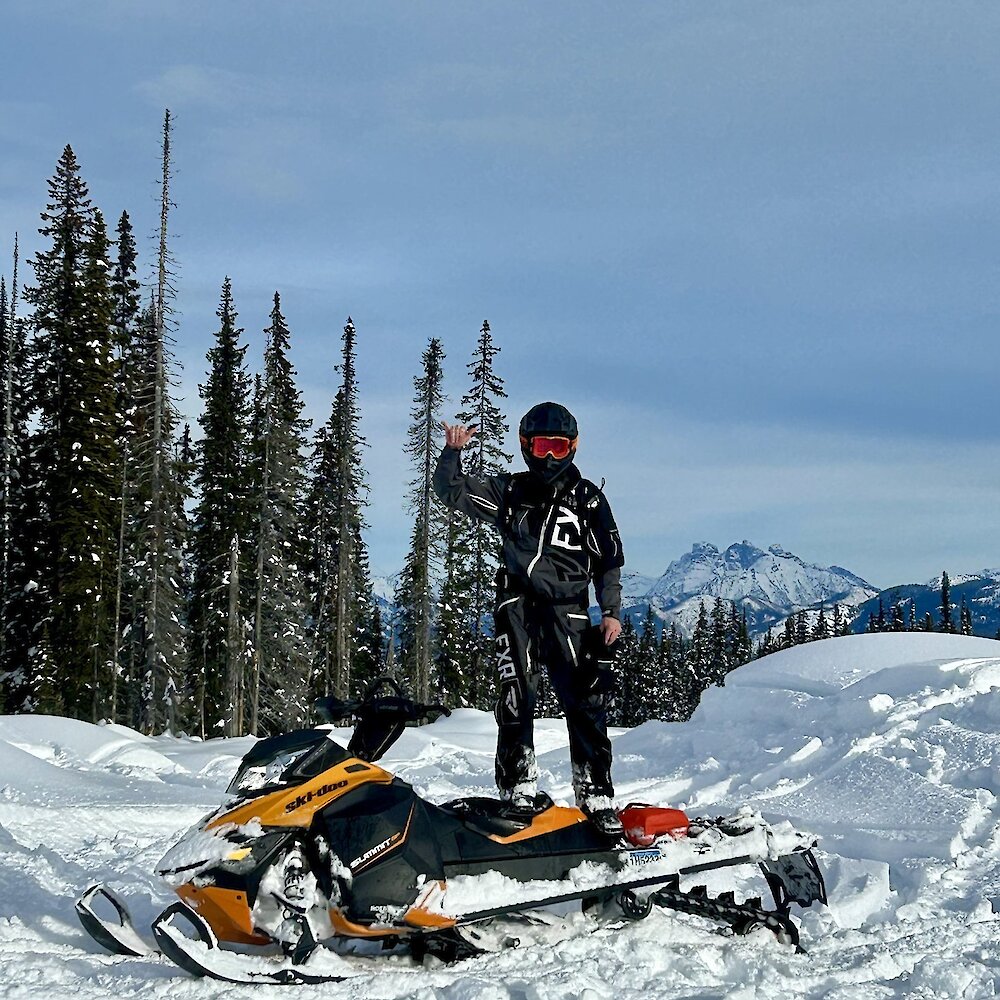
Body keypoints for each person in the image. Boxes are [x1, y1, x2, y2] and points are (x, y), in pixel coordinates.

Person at [433, 401, 626, 838]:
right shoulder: (511, 491)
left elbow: (609, 561)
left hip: (570, 611)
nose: (550, 457)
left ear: (573, 447)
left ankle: (596, 794)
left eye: (558, 446)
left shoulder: (590, 499)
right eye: (542, 446)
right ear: (526, 446)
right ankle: (518, 788)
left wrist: (611, 611)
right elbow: (454, 491)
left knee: (586, 701)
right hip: (516, 606)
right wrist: (452, 452)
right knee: (516, 696)